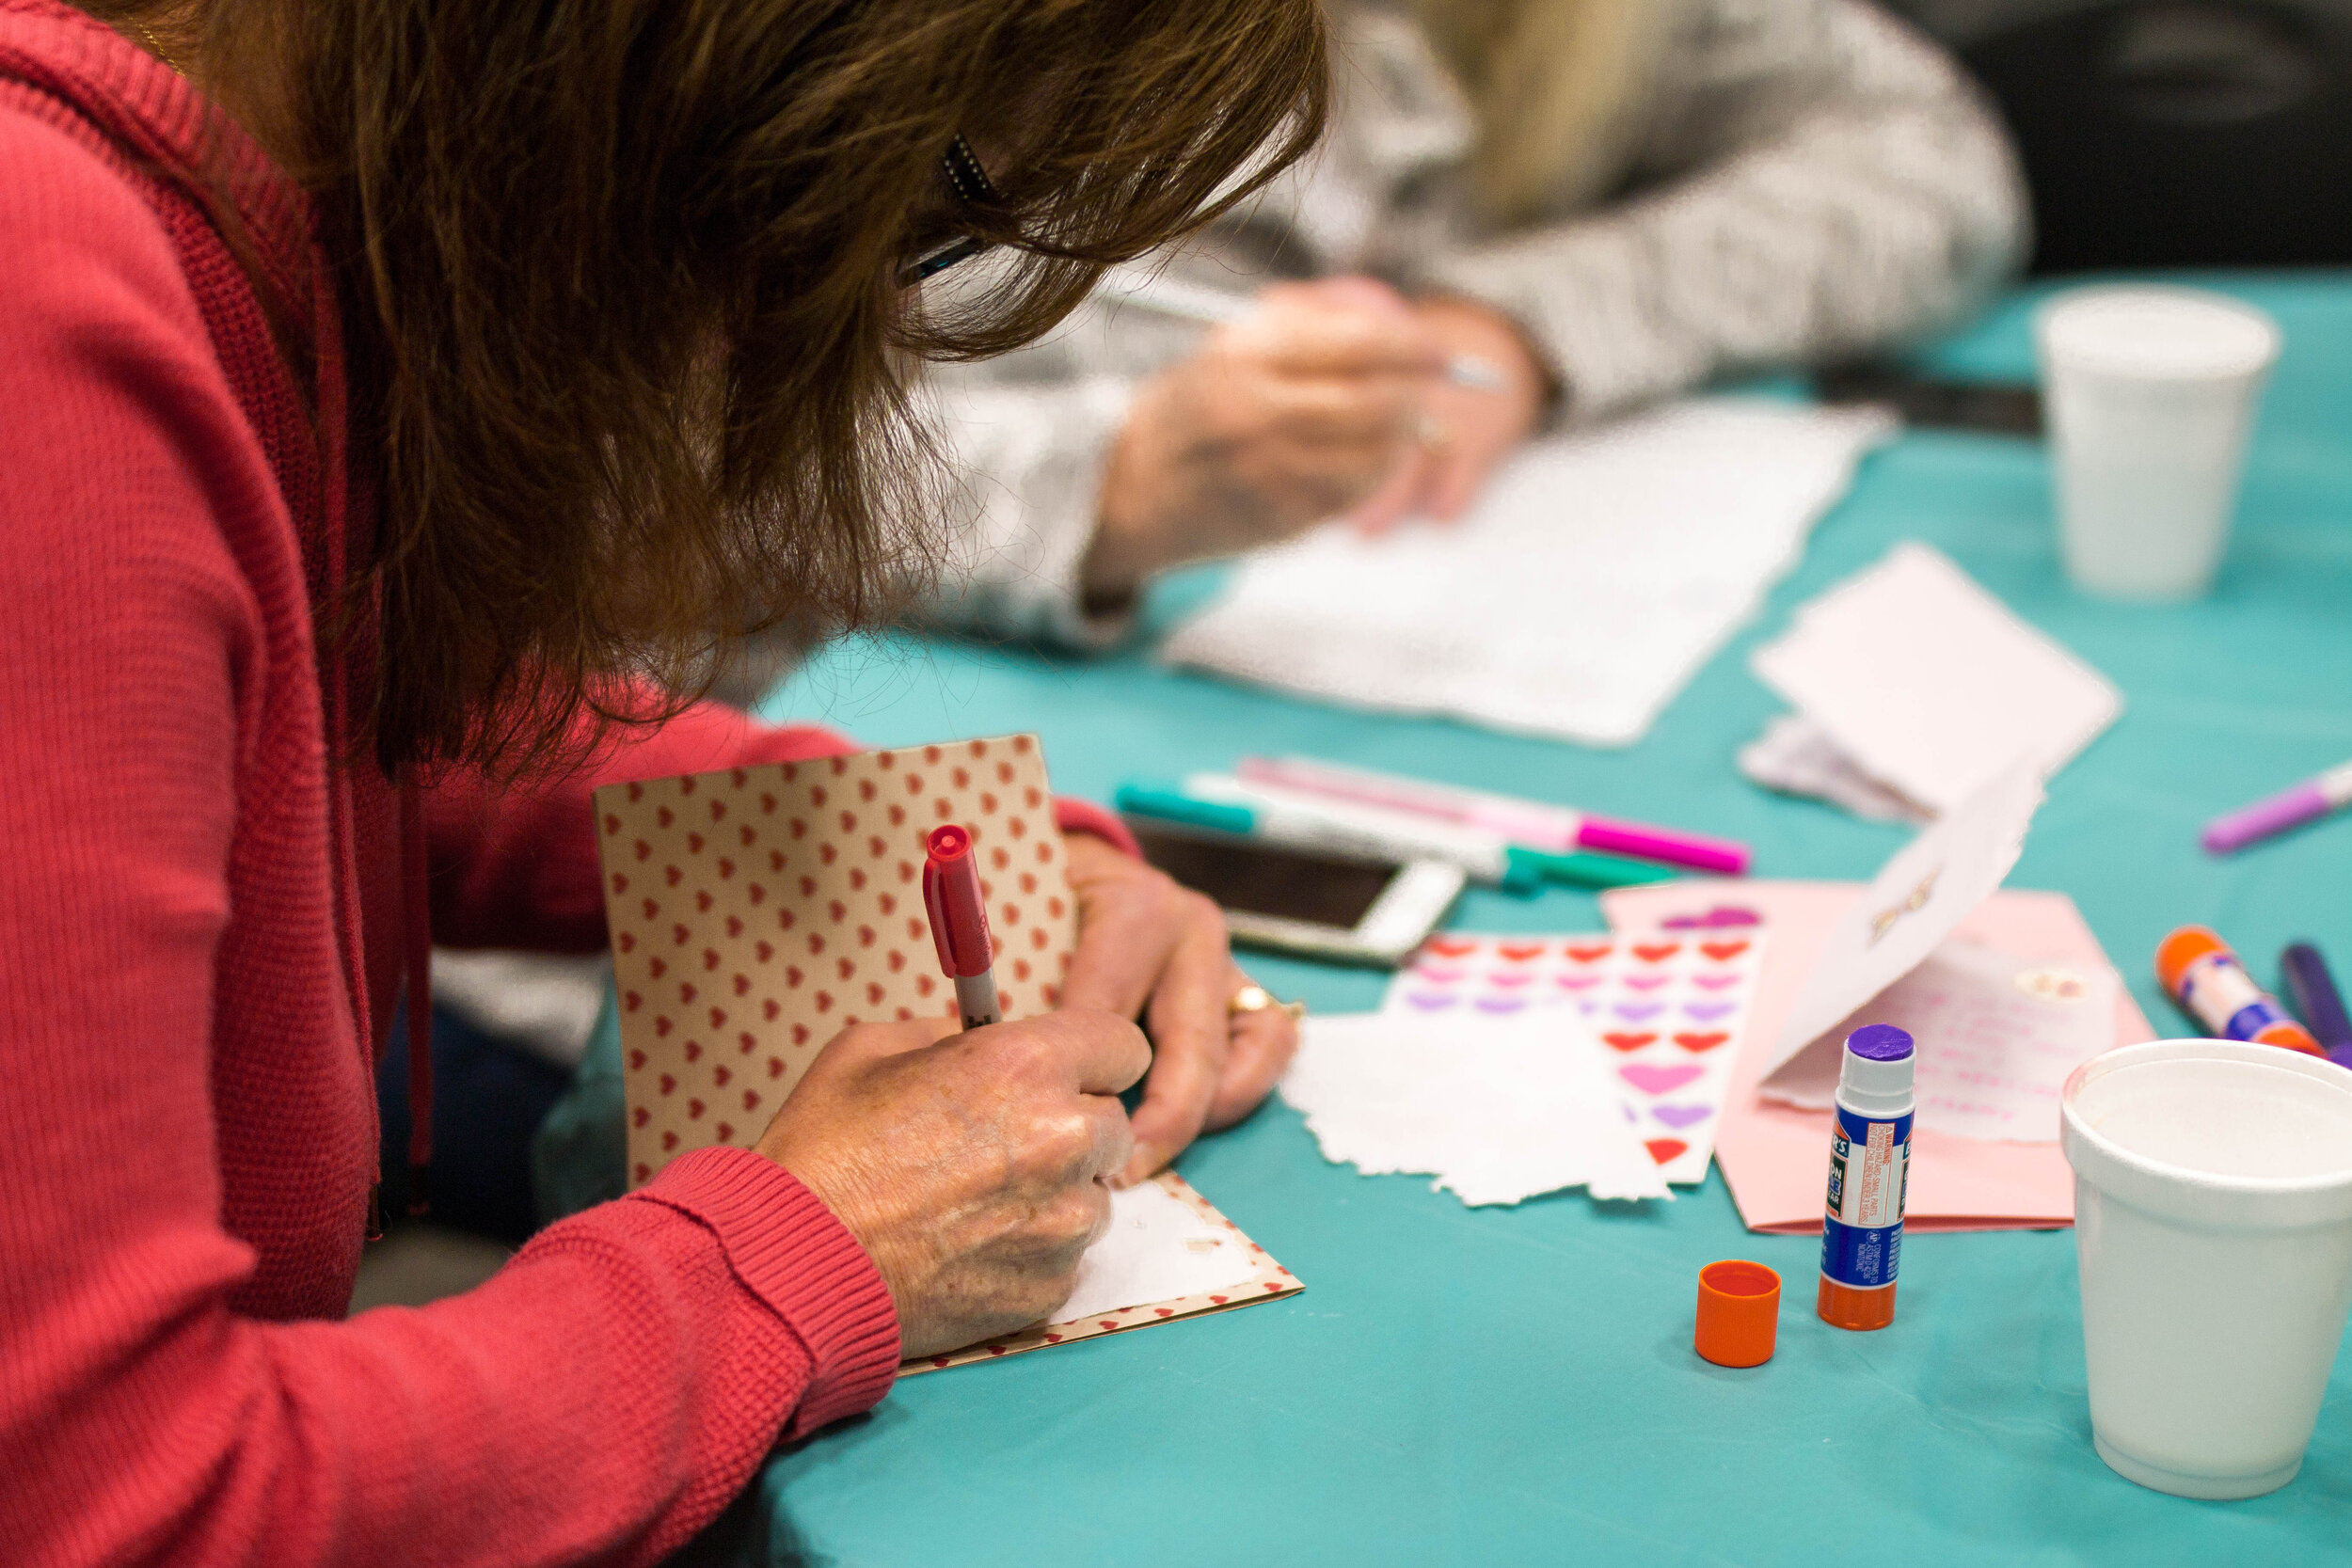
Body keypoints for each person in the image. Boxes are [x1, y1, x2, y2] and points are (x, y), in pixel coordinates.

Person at [0, 0, 1326, 1561]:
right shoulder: (44, 309)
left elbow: (307, 720)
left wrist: (978, 854)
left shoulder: (229, 208)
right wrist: (804, 1253)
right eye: (919, 207)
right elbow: (117, 1501)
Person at [921, 0, 2031, 646]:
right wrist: (1113, 491)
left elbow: (1933, 159)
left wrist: (1521, 318)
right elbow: (758, 477)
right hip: (911, 682)